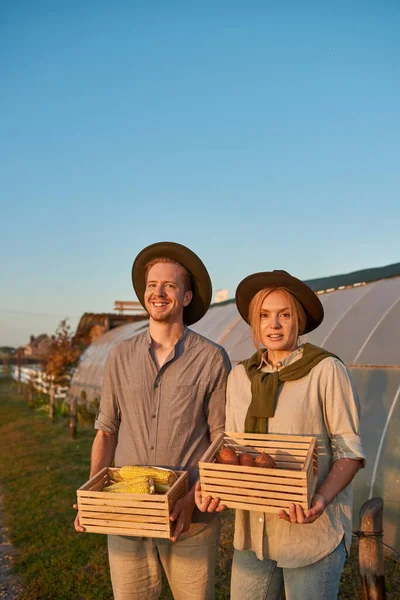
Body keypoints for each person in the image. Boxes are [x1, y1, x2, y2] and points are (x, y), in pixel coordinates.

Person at [74, 241, 231, 600]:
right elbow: (107, 430)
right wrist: (93, 494)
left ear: (187, 297)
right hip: (127, 514)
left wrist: (192, 498)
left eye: (170, 286)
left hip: (189, 519)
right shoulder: (120, 356)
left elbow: (222, 441)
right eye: (151, 286)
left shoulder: (211, 359)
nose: (158, 293)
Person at [196, 270, 365, 600]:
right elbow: (231, 449)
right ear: (254, 323)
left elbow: (349, 451)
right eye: (264, 315)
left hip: (311, 535)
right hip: (253, 535)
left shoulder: (326, 370)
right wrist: (213, 485)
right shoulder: (240, 378)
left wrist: (319, 500)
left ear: (298, 321)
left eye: (283, 315)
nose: (273, 325)